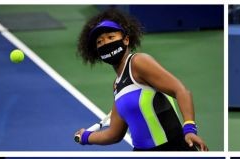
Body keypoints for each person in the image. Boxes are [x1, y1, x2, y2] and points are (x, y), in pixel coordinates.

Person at [74, 9, 208, 151]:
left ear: (126, 40)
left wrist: (189, 128)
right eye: (100, 42)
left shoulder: (138, 62)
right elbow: (114, 133)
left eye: (111, 37)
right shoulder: (117, 85)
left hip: (173, 148)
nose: (105, 43)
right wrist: (86, 137)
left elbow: (181, 91)